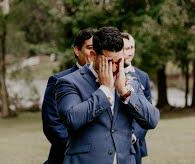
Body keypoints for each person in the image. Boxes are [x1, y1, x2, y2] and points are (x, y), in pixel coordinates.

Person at [55, 26, 160, 164]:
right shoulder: (69, 82)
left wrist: (125, 92)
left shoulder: (129, 80)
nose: (116, 67)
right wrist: (104, 90)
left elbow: (152, 120)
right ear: (93, 56)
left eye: (119, 61)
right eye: (110, 61)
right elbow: (71, 119)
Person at [41, 28, 95, 164]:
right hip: (66, 157)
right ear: (77, 50)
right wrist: (83, 149)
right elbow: (53, 125)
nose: (94, 53)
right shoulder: (59, 80)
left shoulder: (107, 81)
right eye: (90, 48)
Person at [122, 32, 152, 164]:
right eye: (126, 48)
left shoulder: (143, 76)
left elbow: (147, 111)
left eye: (132, 48)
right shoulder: (109, 75)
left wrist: (134, 135)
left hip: (136, 143)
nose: (130, 52)